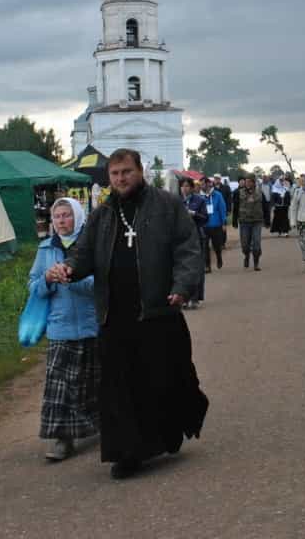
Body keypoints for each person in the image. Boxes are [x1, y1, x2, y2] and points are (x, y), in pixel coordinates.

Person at [53, 148, 209, 479]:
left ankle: (166, 436)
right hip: (115, 315)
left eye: (126, 172)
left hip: (158, 310)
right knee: (120, 388)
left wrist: (183, 286)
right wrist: (68, 268)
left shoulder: (166, 205)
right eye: (115, 174)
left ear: (140, 171)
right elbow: (84, 254)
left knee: (164, 379)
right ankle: (127, 453)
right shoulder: (103, 213)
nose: (121, 179)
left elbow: (188, 248)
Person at [28, 198, 99, 461]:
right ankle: (62, 439)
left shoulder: (89, 246)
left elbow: (101, 283)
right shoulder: (45, 248)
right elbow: (33, 286)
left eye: (66, 215)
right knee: (60, 387)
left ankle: (103, 427)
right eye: (56, 216)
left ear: (78, 217)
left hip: (92, 326)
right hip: (60, 328)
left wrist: (71, 279)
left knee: (93, 383)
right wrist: (47, 278)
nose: (60, 220)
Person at [180, 177, 208, 308]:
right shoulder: (176, 201)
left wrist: (194, 214)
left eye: (187, 186)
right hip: (180, 239)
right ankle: (184, 297)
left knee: (196, 268)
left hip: (196, 237)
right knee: (182, 268)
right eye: (182, 186)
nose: (184, 189)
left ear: (191, 188)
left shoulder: (200, 200)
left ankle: (195, 298)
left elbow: (205, 218)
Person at [232, 174, 263, 270]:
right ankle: (246, 255)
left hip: (257, 221)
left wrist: (267, 220)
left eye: (249, 181)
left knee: (256, 243)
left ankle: (256, 263)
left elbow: (265, 206)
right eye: (246, 181)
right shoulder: (239, 192)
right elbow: (236, 207)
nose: (247, 183)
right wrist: (234, 220)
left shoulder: (259, 192)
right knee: (245, 244)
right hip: (244, 221)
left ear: (253, 182)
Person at [202, 176, 227, 272]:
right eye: (201, 184)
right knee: (205, 247)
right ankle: (207, 266)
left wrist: (224, 223)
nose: (202, 186)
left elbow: (222, 209)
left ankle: (219, 256)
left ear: (208, 184)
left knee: (216, 245)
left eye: (203, 184)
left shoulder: (218, 195)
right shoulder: (200, 196)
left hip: (216, 225)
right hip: (204, 226)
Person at [213, 174, 232, 248]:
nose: (216, 180)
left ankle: (223, 243)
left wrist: (229, 209)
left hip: (224, 210)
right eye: (215, 179)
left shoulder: (226, 187)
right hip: (215, 211)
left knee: (223, 226)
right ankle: (216, 242)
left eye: (217, 179)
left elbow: (229, 199)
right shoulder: (212, 188)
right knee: (215, 227)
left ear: (220, 179)